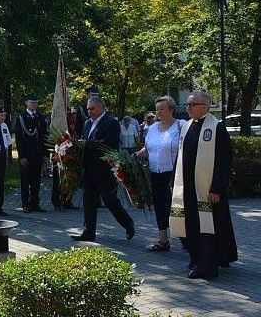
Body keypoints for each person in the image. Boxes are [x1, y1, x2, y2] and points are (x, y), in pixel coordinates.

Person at [169, 91, 237, 279]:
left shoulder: (216, 128)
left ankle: (206, 266)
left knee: (207, 228)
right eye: (188, 105)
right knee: (189, 225)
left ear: (205, 107)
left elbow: (224, 162)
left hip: (207, 190)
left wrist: (217, 188)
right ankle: (196, 258)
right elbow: (180, 155)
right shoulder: (187, 126)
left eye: (193, 105)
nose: (188, 108)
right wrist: (173, 181)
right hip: (188, 188)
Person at [71, 96, 135, 242]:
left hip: (105, 170)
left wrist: (86, 144)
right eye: (88, 108)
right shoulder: (88, 123)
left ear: (101, 107)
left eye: (92, 108)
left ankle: (128, 223)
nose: (89, 111)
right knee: (88, 200)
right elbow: (84, 142)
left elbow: (109, 144)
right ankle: (89, 231)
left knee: (109, 200)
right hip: (89, 168)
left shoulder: (111, 122)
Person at [135, 96, 184, 252]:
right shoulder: (153, 128)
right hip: (155, 174)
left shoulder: (181, 126)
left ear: (171, 109)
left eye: (162, 109)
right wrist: (135, 155)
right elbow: (148, 149)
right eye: (157, 109)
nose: (159, 112)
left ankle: (186, 238)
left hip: (175, 175)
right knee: (160, 207)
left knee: (177, 208)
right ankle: (163, 240)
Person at [13, 94, 47, 213]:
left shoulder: (40, 117)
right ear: (26, 103)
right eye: (32, 102)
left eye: (36, 102)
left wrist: (45, 155)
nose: (34, 104)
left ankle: (35, 204)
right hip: (26, 156)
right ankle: (25, 204)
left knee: (36, 182)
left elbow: (44, 137)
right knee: (25, 181)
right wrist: (21, 156)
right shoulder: (21, 117)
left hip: (37, 155)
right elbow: (19, 138)